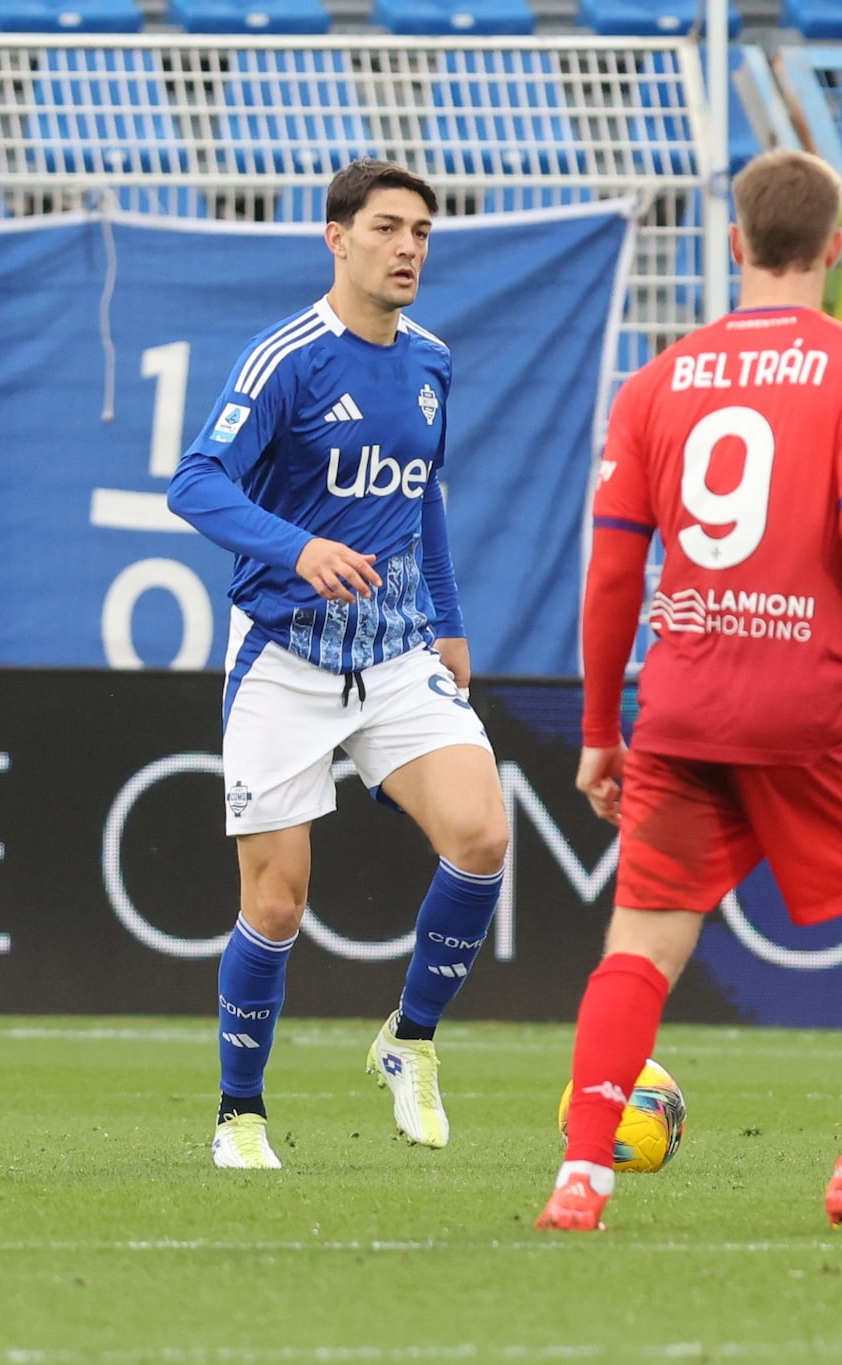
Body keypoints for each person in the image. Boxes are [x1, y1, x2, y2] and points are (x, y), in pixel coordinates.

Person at [536, 149, 842, 1235]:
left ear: (733, 246)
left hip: (679, 703)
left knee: (640, 947)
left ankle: (578, 1181)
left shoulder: (654, 382)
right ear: (833, 249)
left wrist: (599, 731)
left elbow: (609, 573)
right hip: (809, 706)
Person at [167, 158, 510, 1170]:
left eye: (422, 234)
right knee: (277, 903)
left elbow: (425, 499)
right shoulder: (287, 357)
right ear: (338, 237)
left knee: (483, 836)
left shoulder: (431, 362)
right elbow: (195, 482)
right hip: (286, 655)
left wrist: (446, 618)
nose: (408, 248)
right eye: (389, 228)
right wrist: (295, 546)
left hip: (397, 656)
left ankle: (407, 1043)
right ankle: (239, 1115)